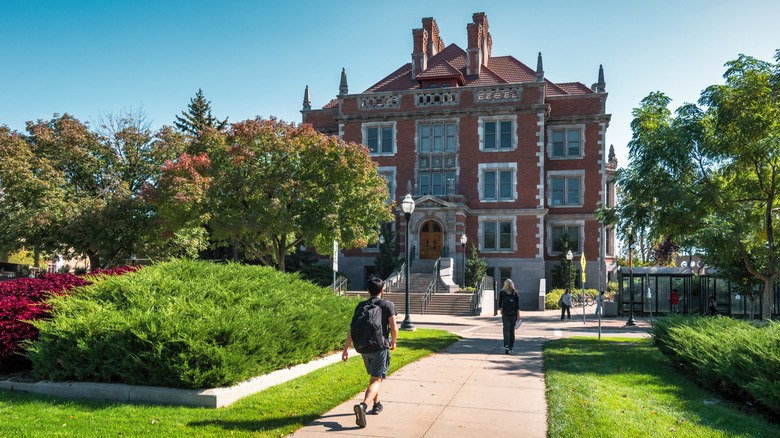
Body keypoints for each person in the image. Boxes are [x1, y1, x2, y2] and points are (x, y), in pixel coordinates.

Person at [342, 277, 398, 429]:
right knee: (376, 380)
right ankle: (363, 406)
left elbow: (352, 329)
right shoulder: (387, 304)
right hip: (380, 347)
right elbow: (393, 327)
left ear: (368, 291)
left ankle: (376, 405)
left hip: (363, 348)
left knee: (374, 377)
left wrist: (346, 349)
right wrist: (393, 341)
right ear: (382, 290)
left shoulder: (361, 306)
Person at [498, 279, 520, 354]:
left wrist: (501, 310)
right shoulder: (515, 293)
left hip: (505, 313)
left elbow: (500, 303)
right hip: (513, 314)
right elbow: (517, 306)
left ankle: (506, 346)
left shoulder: (502, 292)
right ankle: (511, 346)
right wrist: (518, 316)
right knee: (512, 330)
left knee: (506, 330)